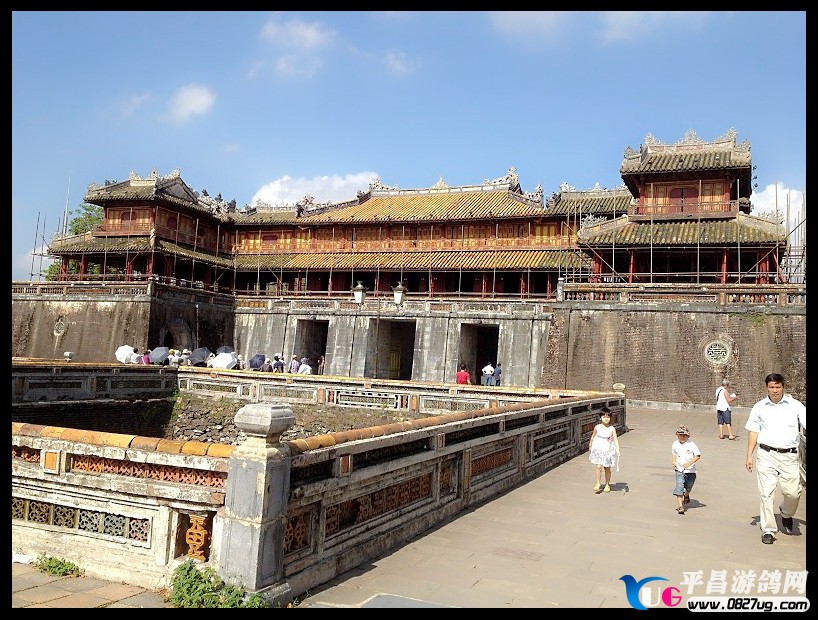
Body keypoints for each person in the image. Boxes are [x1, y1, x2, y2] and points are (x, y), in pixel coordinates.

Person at [745, 372, 806, 545]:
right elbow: (754, 431)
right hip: (766, 455)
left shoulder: (795, 406)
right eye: (771, 387)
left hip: (789, 456)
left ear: (783, 387)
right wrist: (749, 455)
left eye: (778, 387)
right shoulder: (759, 407)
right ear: (767, 388)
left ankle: (786, 513)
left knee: (793, 493)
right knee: (766, 493)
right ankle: (769, 530)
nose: (775, 390)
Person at [588, 407, 620, 493]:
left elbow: (615, 439)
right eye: (604, 417)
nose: (606, 419)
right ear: (600, 418)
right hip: (598, 448)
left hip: (607, 449)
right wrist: (590, 445)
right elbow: (593, 436)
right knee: (598, 466)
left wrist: (617, 449)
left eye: (608, 417)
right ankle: (598, 483)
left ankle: (607, 484)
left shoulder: (612, 428)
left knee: (607, 467)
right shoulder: (597, 427)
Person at [671, 424, 701, 514]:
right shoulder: (675, 444)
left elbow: (697, 455)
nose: (682, 437)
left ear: (688, 436)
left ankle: (687, 494)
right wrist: (673, 461)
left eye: (684, 435)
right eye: (680, 435)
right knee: (679, 486)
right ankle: (680, 506)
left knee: (689, 485)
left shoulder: (691, 444)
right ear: (677, 435)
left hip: (690, 470)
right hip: (679, 469)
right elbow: (674, 453)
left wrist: (689, 463)